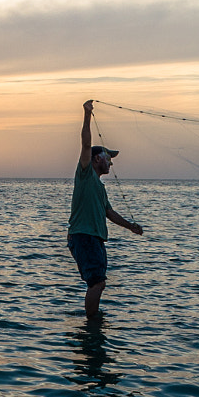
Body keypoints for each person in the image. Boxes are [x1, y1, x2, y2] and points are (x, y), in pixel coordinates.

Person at [68, 100, 144, 316]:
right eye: (108, 158)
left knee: (99, 282)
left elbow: (109, 213)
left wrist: (131, 227)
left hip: (95, 238)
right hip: (83, 236)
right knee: (97, 283)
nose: (111, 163)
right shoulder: (85, 174)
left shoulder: (99, 187)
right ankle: (92, 324)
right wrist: (86, 115)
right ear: (96, 159)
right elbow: (85, 145)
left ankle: (93, 320)